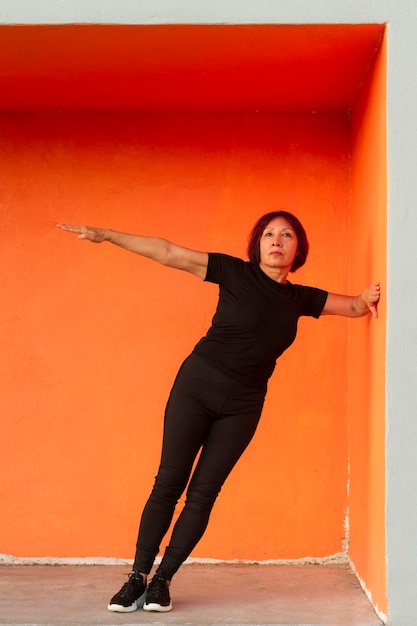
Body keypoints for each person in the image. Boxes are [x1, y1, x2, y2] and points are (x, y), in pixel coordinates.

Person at [57, 211, 380, 613]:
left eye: (287, 234)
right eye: (268, 234)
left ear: (299, 248)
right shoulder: (233, 272)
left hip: (243, 406)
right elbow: (168, 252)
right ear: (257, 244)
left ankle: (163, 581)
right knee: (169, 482)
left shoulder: (302, 298)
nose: (276, 240)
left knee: (203, 494)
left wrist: (366, 299)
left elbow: (351, 306)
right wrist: (106, 235)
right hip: (196, 387)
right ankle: (136, 577)